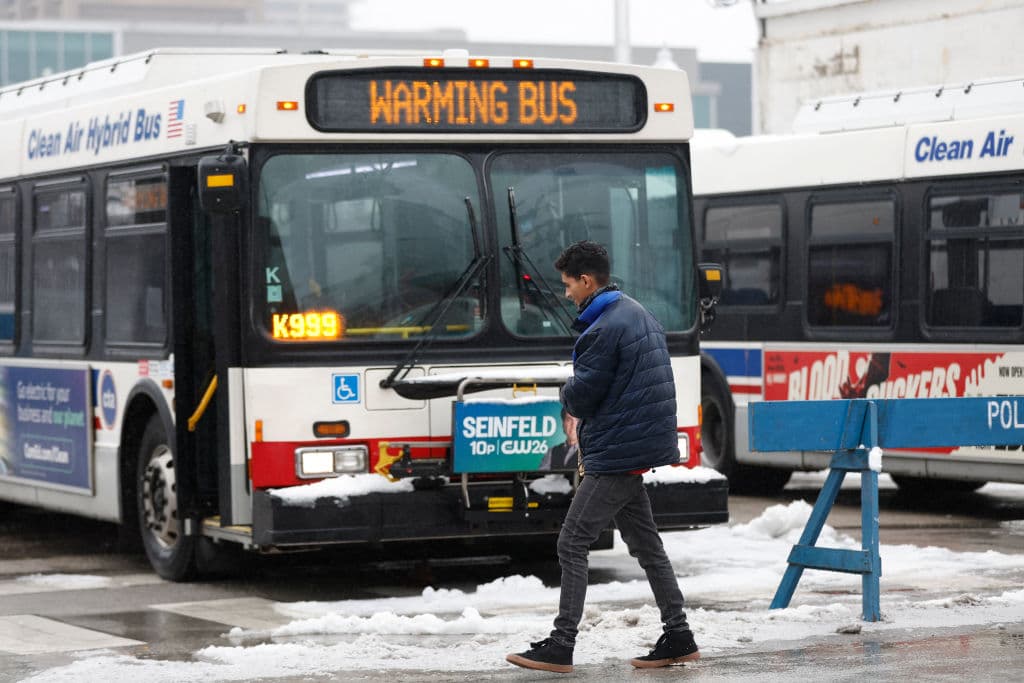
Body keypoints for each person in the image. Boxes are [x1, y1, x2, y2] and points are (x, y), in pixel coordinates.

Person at [506, 241, 699, 674]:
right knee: (648, 548)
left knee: (571, 542)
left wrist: (565, 390)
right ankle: (679, 635)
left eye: (568, 285)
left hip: (616, 453)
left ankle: (561, 644)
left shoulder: (604, 328)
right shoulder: (636, 313)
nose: (567, 293)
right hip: (635, 447)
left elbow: (584, 395)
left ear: (587, 281)